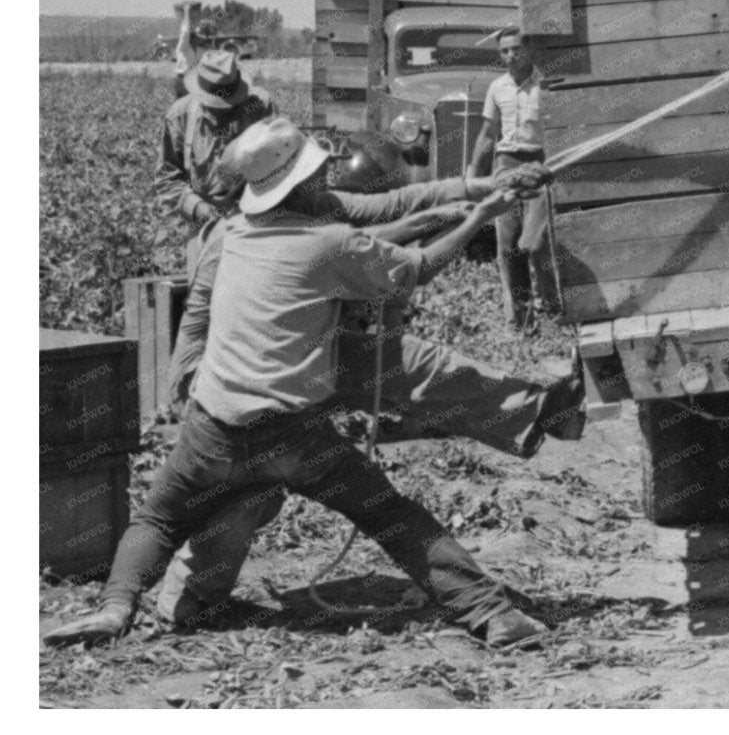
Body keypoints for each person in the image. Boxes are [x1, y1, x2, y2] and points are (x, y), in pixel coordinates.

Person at [43, 120, 549, 650]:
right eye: (317, 172)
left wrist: (453, 206)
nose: (326, 176)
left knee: (159, 517)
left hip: (212, 429)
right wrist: (479, 219)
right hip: (294, 436)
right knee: (389, 514)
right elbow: (416, 268)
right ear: (302, 184)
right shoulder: (327, 242)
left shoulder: (229, 233)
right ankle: (494, 616)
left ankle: (114, 608)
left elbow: (386, 219)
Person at [152, 146, 583, 628]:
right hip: (227, 380)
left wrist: (484, 190)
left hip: (304, 354)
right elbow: (354, 251)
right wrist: (447, 223)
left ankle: (538, 409)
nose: (323, 180)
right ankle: (193, 598)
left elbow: (400, 203)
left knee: (408, 362)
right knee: (247, 493)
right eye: (312, 173)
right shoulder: (230, 236)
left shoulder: (314, 206)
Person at [158, 49, 277, 273]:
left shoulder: (260, 107)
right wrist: (198, 208)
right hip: (204, 224)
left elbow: (282, 164)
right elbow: (167, 178)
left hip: (255, 222)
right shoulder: (180, 116)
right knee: (203, 297)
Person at [468, 29, 555, 328]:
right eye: (504, 51)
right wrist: (472, 172)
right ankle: (519, 316)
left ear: (528, 49)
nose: (509, 56)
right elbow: (488, 133)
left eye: (515, 49)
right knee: (508, 243)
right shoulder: (497, 88)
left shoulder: (546, 84)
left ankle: (554, 308)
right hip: (505, 165)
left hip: (538, 165)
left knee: (537, 239)